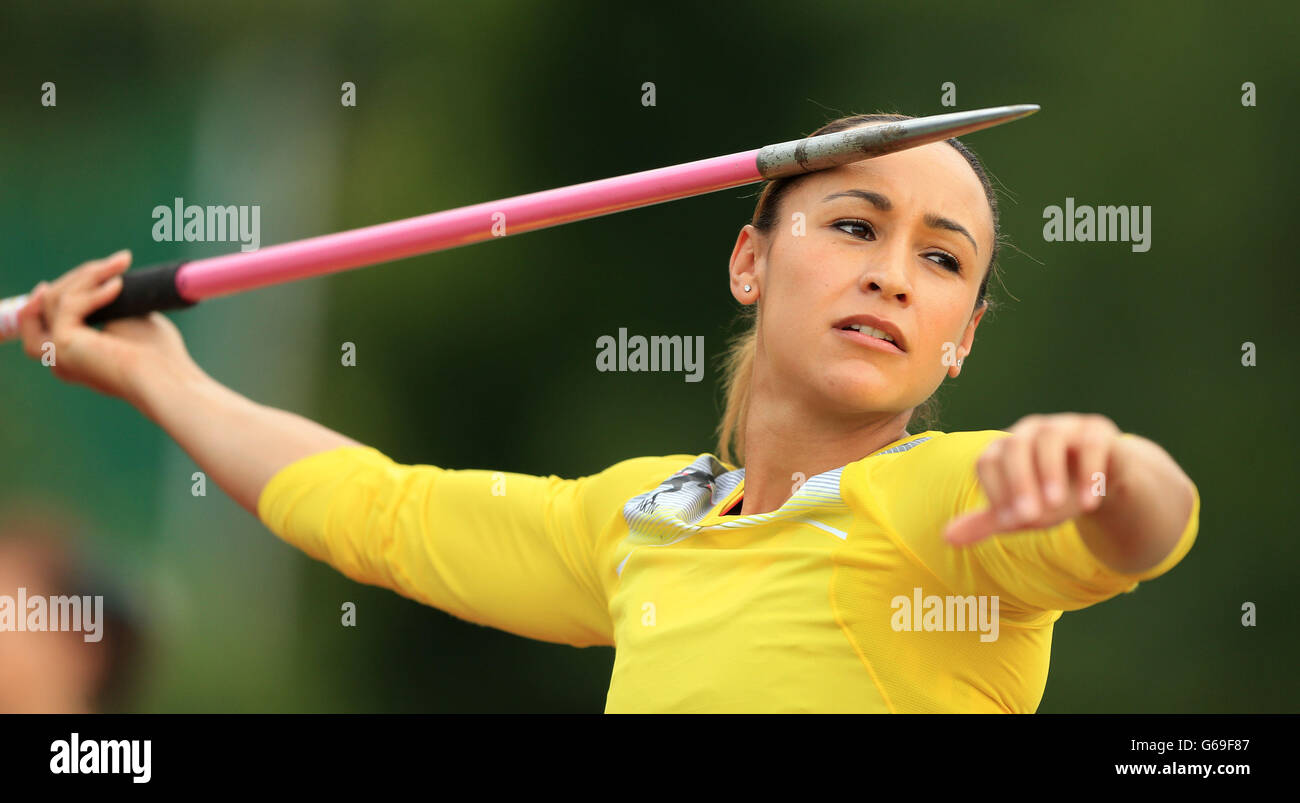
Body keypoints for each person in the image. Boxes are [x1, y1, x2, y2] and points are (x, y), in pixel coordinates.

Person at [14, 113, 1200, 713]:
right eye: (853, 224)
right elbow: (375, 508)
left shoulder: (953, 495)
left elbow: (1145, 522)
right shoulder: (642, 521)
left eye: (942, 261)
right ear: (749, 260)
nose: (893, 271)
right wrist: (157, 373)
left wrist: (1109, 462)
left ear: (962, 339)